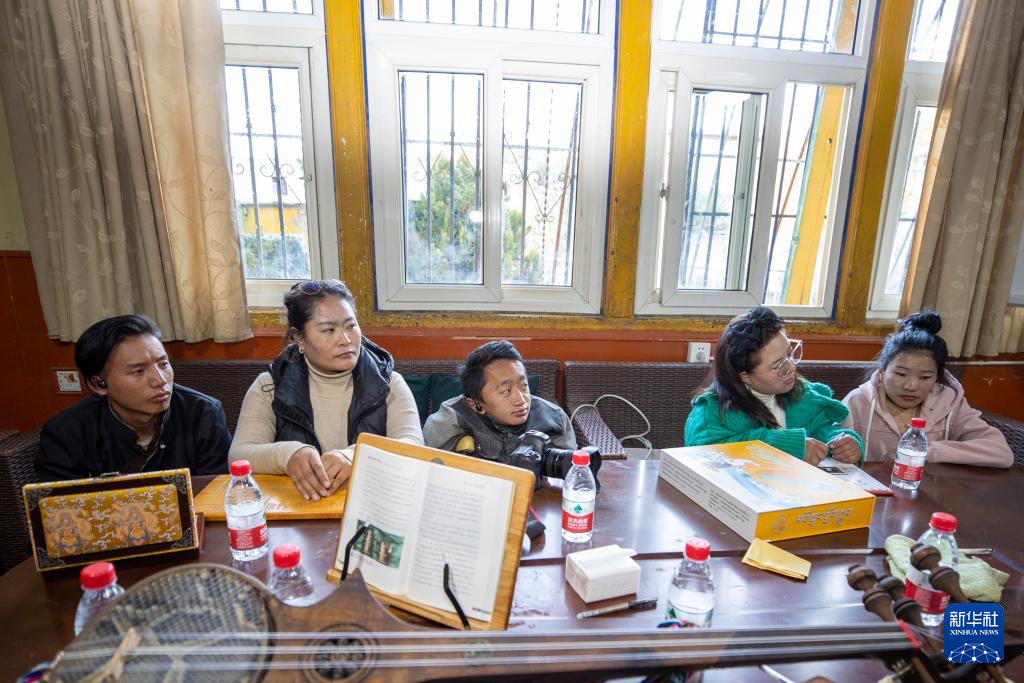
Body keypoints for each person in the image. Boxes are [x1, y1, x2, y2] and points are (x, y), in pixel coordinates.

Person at [230, 280, 422, 500]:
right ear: (299, 337)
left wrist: (357, 455)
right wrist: (288, 454)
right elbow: (239, 455)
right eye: (329, 330)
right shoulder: (271, 386)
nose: (345, 340)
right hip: (298, 510)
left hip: (369, 506)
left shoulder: (388, 383)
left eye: (351, 326)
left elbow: (414, 447)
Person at [37, 315, 231, 481]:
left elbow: (216, 492)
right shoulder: (66, 433)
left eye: (163, 364)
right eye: (138, 371)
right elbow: (59, 507)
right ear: (99, 384)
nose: (160, 380)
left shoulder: (202, 413)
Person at [685, 307, 862, 465]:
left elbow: (822, 429)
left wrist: (841, 443)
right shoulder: (710, 412)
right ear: (744, 376)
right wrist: (786, 446)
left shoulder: (803, 393)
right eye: (777, 366)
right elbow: (702, 457)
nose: (791, 368)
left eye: (790, 354)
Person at [842, 311, 1012, 468]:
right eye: (901, 374)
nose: (911, 386)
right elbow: (831, 442)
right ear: (882, 371)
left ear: (937, 377)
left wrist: (926, 452)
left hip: (932, 490)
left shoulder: (949, 403)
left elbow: (1001, 453)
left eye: (924, 377)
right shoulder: (858, 402)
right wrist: (842, 449)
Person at [423, 340, 581, 480]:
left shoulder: (555, 419)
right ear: (476, 404)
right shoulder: (451, 419)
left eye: (524, 386)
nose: (521, 400)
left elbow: (571, 476)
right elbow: (427, 472)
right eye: (506, 391)